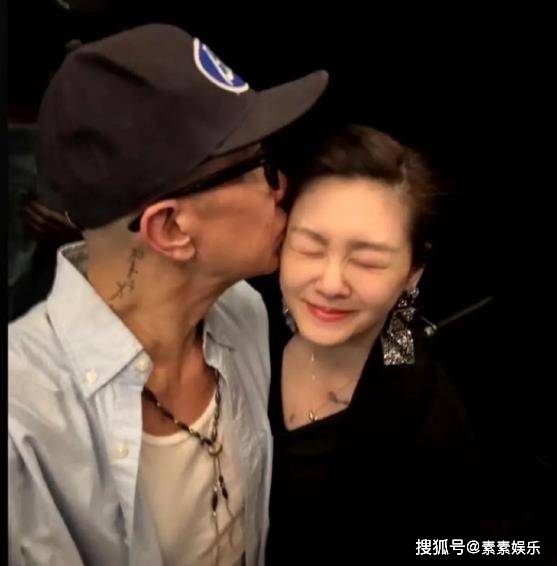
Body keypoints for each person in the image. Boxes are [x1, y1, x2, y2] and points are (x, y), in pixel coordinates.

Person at [8, 23, 328, 566]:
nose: (282, 188)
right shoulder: (22, 424)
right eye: (263, 167)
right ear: (172, 228)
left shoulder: (242, 312)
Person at [264, 125, 515, 564]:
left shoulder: (428, 412)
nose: (331, 283)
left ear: (413, 272)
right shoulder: (242, 331)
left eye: (367, 262)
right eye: (308, 248)